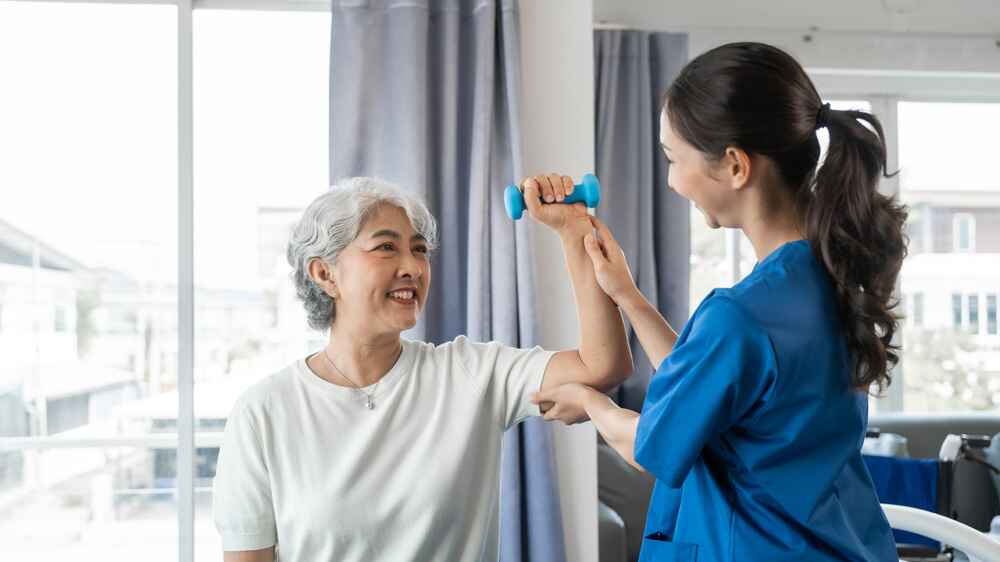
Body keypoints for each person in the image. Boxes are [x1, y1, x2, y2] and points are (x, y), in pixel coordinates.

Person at [533, 42, 907, 562]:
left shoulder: (742, 313)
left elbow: (652, 448)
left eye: (673, 158)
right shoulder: (829, 280)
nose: (670, 179)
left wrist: (592, 403)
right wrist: (627, 295)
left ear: (734, 165)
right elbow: (705, 386)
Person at [212, 175, 632, 561]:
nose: (413, 267)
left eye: (419, 249)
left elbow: (601, 365)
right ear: (326, 274)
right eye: (386, 247)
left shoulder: (470, 374)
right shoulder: (263, 413)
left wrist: (575, 232)